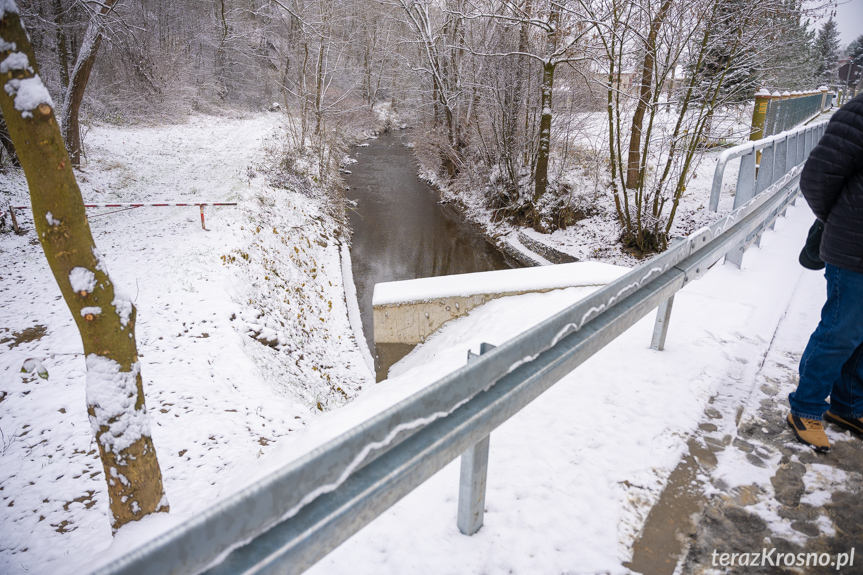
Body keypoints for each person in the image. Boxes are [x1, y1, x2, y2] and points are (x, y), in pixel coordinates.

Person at [787, 91, 863, 453]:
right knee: (840, 332)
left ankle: (849, 407)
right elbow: (817, 178)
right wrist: (840, 223)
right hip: (855, 249)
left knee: (860, 336)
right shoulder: (859, 112)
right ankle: (806, 408)